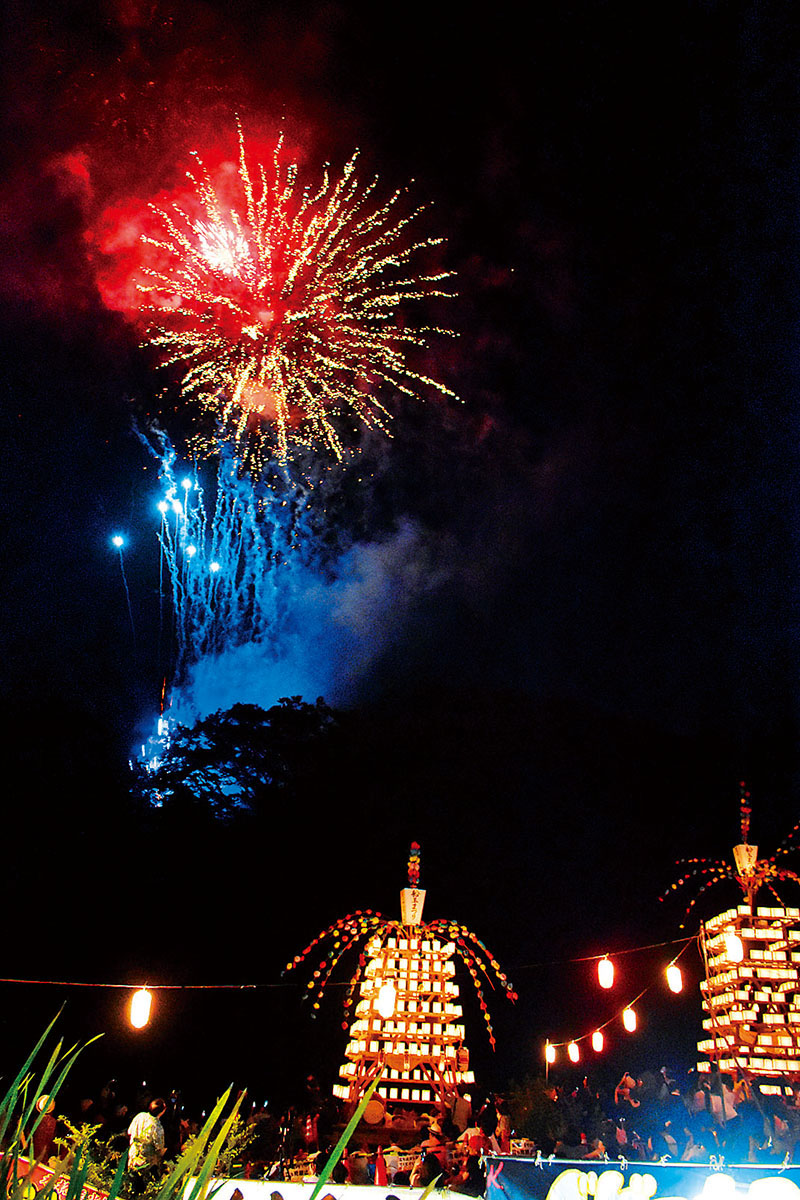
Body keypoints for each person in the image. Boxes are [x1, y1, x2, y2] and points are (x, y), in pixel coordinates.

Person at [128, 1098, 168, 1192]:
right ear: (162, 1111)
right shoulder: (157, 1126)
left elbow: (130, 1132)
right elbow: (159, 1147)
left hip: (132, 1154)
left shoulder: (140, 1116)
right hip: (145, 1162)